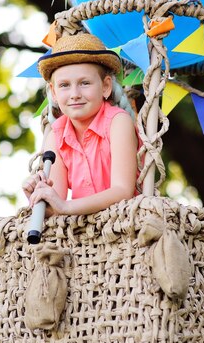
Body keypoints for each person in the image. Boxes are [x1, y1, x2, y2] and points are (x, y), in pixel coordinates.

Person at [22, 32, 139, 217]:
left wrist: (67, 207)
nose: (74, 93)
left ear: (106, 87)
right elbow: (57, 201)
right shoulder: (55, 134)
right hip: (83, 231)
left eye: (84, 83)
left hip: (125, 221)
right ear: (53, 92)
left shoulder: (118, 122)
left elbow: (122, 190)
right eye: (64, 85)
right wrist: (39, 198)